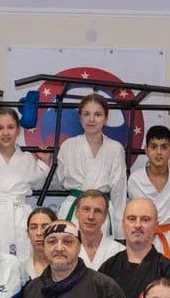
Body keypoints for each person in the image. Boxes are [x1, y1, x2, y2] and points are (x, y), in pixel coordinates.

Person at [0, 107, 49, 258]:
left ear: (18, 130)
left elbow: (39, 184)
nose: (5, 133)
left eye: (10, 127)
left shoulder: (27, 158)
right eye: (0, 128)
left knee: (23, 256)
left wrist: (44, 162)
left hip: (20, 215)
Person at [52, 94, 126, 233]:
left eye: (98, 114)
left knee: (102, 246)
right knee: (69, 245)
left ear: (106, 118)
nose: (91, 119)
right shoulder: (68, 145)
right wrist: (46, 163)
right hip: (74, 209)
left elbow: (119, 191)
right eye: (86, 114)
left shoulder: (115, 148)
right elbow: (57, 181)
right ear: (80, 118)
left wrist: (119, 230)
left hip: (101, 211)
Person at [126, 126, 170, 265]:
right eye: (154, 147)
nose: (159, 152)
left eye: (164, 147)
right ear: (146, 149)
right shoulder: (136, 179)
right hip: (142, 239)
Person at [74, 189, 124, 270]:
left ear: (105, 217)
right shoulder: (65, 250)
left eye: (97, 211)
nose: (91, 216)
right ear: (77, 213)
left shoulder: (119, 252)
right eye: (86, 209)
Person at [21, 207, 55, 280]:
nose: (39, 233)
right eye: (33, 227)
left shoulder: (67, 267)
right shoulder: (21, 270)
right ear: (28, 233)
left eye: (44, 227)